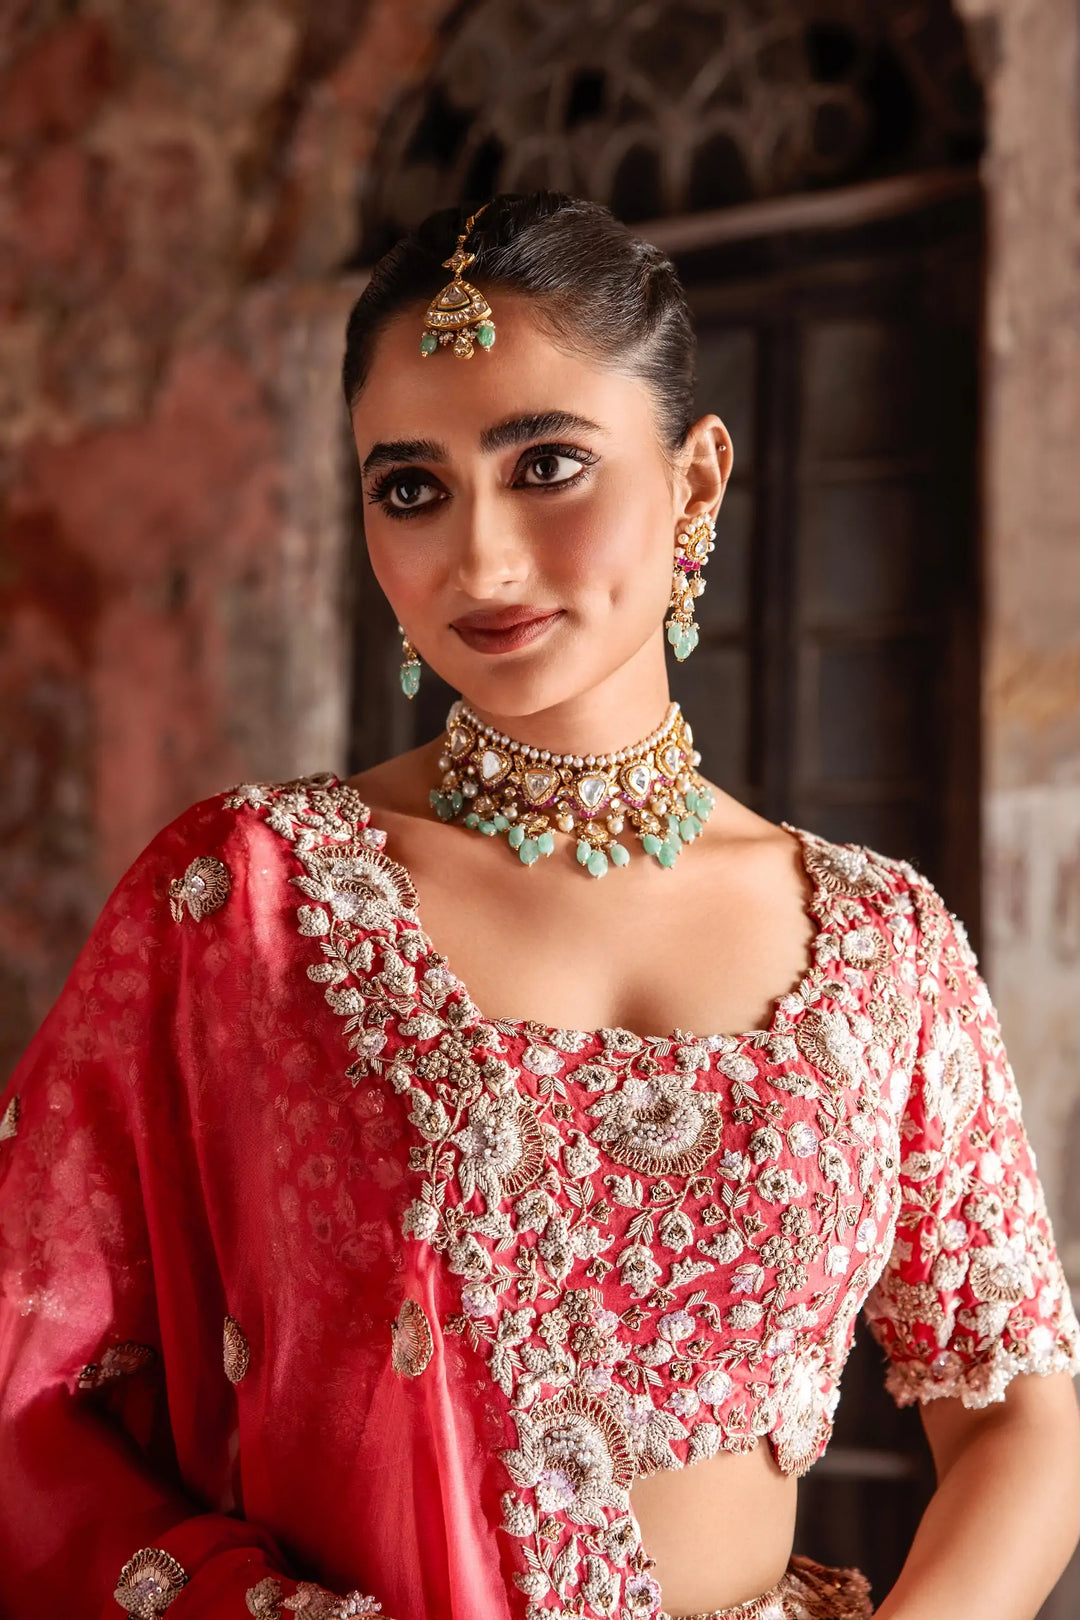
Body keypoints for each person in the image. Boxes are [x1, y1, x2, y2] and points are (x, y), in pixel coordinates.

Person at [0, 192, 1077, 1620]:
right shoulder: (244, 899)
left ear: (696, 482)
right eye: (412, 487)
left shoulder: (884, 946)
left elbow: (1020, 1418)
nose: (481, 562)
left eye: (548, 464)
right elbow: (25, 1376)